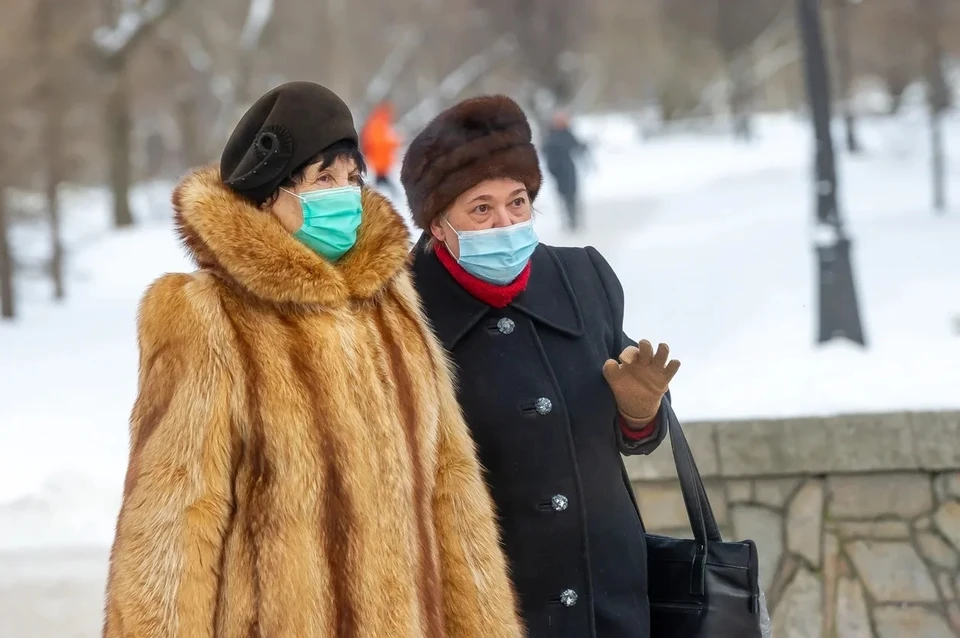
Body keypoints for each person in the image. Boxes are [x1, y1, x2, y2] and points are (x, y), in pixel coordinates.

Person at [102, 82, 523, 638]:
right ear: (268, 195)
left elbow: (451, 486)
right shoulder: (205, 314)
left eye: (352, 178)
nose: (345, 196)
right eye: (323, 179)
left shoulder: (391, 299)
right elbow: (173, 520)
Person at [403, 95, 680, 638]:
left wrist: (640, 412)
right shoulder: (402, 316)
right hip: (486, 610)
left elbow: (630, 434)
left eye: (518, 201)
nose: (505, 221)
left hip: (609, 600)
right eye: (480, 208)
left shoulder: (584, 279)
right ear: (438, 224)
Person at [543, 109, 588, 232]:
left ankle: (574, 221)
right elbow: (547, 153)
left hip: (569, 170)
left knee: (572, 196)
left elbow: (576, 146)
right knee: (563, 197)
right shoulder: (551, 136)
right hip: (559, 172)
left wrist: (584, 146)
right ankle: (568, 221)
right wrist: (552, 170)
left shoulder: (567, 133)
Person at [360, 101, 402, 196]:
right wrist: (394, 142)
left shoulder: (381, 125)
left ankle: (375, 195)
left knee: (381, 182)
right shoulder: (378, 126)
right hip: (379, 162)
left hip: (382, 163)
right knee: (381, 182)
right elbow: (379, 143)